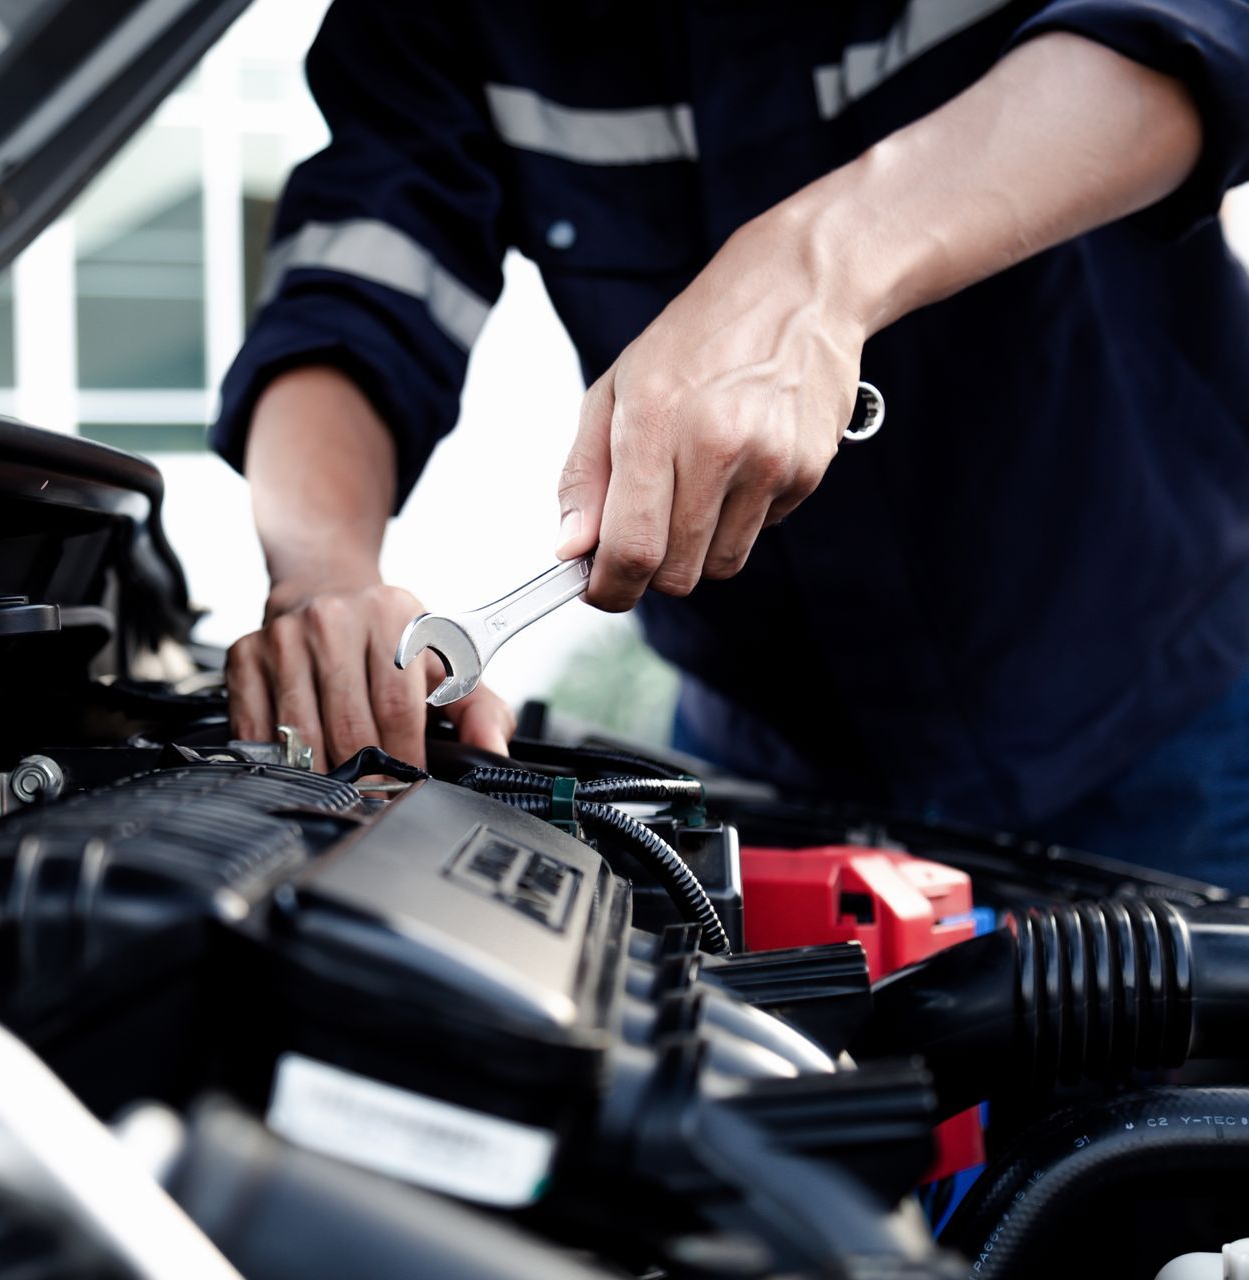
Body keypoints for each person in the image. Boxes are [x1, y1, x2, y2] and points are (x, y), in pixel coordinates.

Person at [210, 0, 1249, 885]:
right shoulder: (449, 18)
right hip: (763, 766)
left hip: (1169, 718)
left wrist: (818, 265)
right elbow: (355, 278)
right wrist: (322, 576)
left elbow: (1190, 30)